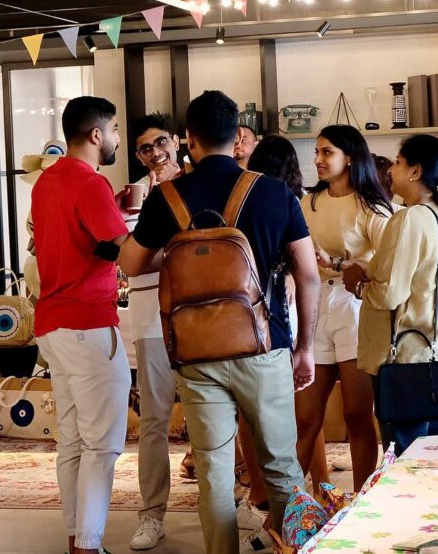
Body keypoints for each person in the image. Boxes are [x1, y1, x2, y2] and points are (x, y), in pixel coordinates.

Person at [120, 90, 321, 554]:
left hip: (196, 355)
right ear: (238, 138)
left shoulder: (167, 197)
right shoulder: (274, 193)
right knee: (282, 469)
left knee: (212, 472)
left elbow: (131, 263)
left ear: (187, 139)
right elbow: (308, 277)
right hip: (264, 347)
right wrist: (305, 347)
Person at [31, 96, 131, 554]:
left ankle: (77, 536)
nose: (114, 138)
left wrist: (117, 205)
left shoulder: (46, 182)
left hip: (51, 323)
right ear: (96, 134)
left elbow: (82, 243)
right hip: (89, 324)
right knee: (102, 444)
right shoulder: (91, 184)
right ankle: (88, 546)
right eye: (112, 129)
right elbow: (123, 249)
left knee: (72, 440)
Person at [342, 134, 438, 455]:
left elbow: (390, 294)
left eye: (397, 162)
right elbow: (419, 278)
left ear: (415, 171)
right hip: (434, 357)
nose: (391, 170)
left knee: (404, 458)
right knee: (429, 455)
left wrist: (358, 284)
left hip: (404, 357)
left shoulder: (410, 218)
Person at [296, 125, 394, 491]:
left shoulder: (372, 205)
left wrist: (337, 261)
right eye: (317, 152)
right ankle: (284, 507)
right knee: (305, 416)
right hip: (315, 302)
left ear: (349, 157)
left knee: (356, 413)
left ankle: (361, 497)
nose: (318, 159)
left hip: (356, 306)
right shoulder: (311, 202)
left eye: (327, 152)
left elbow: (388, 263)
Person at [247, 136, 330, 494]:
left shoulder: (248, 200)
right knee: (302, 413)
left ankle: (259, 489)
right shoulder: (290, 201)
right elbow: (307, 273)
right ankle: (318, 483)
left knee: (251, 415)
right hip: (286, 309)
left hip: (252, 314)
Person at [124, 113, 182, 551]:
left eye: (160, 142)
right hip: (148, 317)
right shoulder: (130, 199)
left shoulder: (196, 186)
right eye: (145, 148)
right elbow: (128, 262)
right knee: (153, 421)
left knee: (213, 413)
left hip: (199, 317)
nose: (155, 153)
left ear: (177, 141)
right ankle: (151, 513)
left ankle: (231, 498)